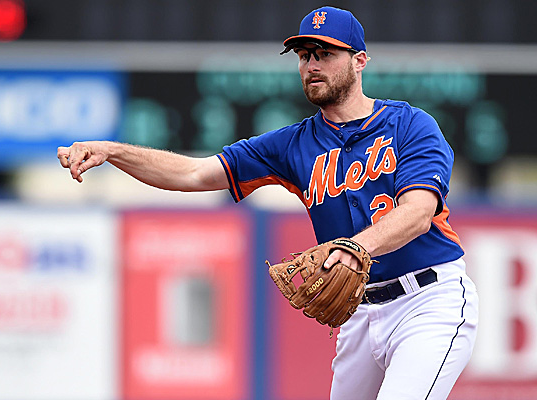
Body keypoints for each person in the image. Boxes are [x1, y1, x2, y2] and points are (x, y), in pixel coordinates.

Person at [57, 6, 478, 400]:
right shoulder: (292, 144)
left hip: (429, 300)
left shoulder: (410, 124)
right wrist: (115, 151)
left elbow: (419, 213)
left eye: (325, 53)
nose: (312, 65)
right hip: (359, 312)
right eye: (304, 55)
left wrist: (355, 247)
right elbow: (194, 173)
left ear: (359, 61)